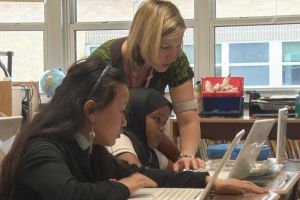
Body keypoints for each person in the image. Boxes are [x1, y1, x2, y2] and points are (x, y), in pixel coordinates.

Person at [0, 58, 267, 200]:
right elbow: (71, 195)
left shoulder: (86, 146)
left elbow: (140, 174)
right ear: (91, 110)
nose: (125, 122)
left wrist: (208, 181)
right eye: (120, 111)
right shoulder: (41, 147)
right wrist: (126, 186)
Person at [89, 0, 202, 170]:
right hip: (107, 142)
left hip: (144, 144)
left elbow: (187, 119)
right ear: (142, 39)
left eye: (178, 46)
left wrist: (186, 156)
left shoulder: (176, 60)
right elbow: (89, 123)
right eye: (164, 47)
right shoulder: (103, 62)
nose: (172, 56)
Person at [107, 88, 204, 170]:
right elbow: (138, 174)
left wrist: (189, 166)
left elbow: (176, 172)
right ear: (138, 115)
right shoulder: (119, 140)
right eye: (157, 119)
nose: (162, 129)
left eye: (164, 122)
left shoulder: (152, 154)